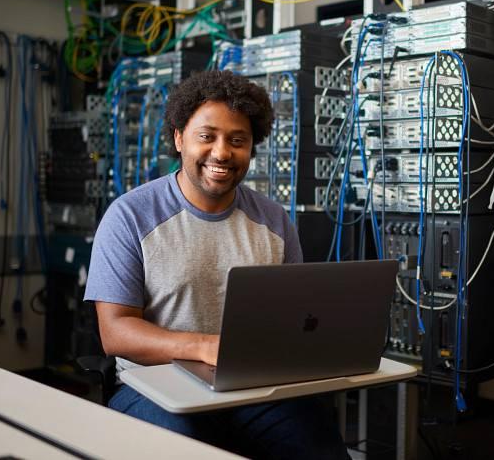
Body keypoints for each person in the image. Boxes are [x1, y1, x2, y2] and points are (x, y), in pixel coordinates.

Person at [84, 70, 349, 459]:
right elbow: (116, 333)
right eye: (206, 136)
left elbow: (294, 319)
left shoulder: (274, 221)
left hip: (253, 390)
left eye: (237, 140)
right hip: (153, 388)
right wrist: (206, 347)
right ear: (179, 138)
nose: (222, 152)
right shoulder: (130, 216)